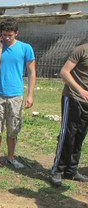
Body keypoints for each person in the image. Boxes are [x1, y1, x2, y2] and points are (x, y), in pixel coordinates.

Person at [0, 18, 36, 170]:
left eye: (10, 35)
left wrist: (30, 95)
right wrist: (0, 48)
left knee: (13, 128)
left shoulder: (25, 48)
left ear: (16, 33)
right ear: (0, 35)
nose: (7, 38)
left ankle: (10, 158)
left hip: (16, 95)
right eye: (4, 35)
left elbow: (32, 72)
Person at [50, 44, 88, 186]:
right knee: (68, 134)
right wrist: (80, 90)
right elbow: (64, 72)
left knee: (80, 135)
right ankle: (57, 170)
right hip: (72, 98)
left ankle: (71, 170)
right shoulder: (81, 50)